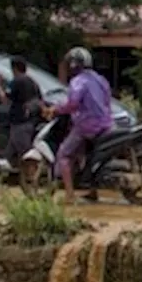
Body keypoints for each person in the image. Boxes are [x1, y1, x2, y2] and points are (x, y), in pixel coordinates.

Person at [48, 47, 113, 205]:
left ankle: (70, 195)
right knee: (90, 155)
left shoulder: (78, 82)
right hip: (106, 124)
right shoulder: (100, 79)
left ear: (73, 64)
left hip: (86, 125)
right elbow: (107, 100)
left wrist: (57, 109)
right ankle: (92, 190)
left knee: (64, 154)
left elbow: (73, 104)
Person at [5, 56, 42, 166]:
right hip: (30, 120)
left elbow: (5, 100)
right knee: (10, 152)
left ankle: (31, 176)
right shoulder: (32, 82)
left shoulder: (16, 82)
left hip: (19, 121)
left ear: (14, 68)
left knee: (25, 152)